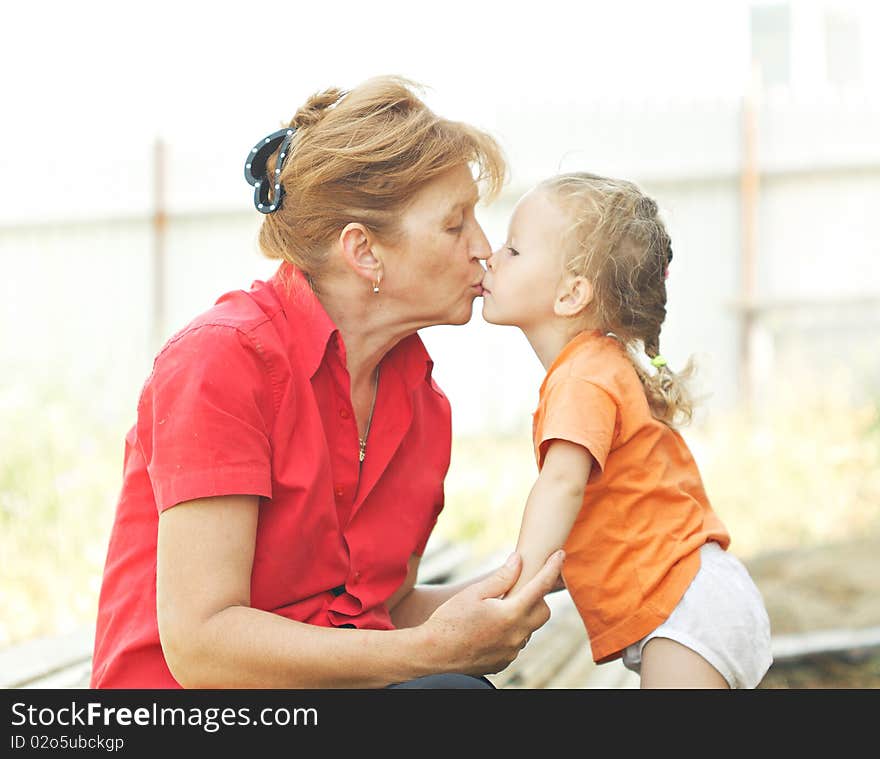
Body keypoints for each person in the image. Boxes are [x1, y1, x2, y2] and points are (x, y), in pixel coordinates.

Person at [89, 76, 565, 689]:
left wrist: (543, 573)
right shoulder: (221, 362)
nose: (484, 249)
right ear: (364, 252)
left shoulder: (421, 403)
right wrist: (431, 654)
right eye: (455, 225)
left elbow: (374, 616)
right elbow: (201, 646)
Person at [480, 172, 773, 689]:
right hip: (696, 597)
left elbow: (562, 485)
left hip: (685, 607)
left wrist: (515, 588)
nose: (490, 256)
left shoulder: (582, 377)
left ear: (572, 293)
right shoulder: (597, 367)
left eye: (514, 250)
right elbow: (607, 516)